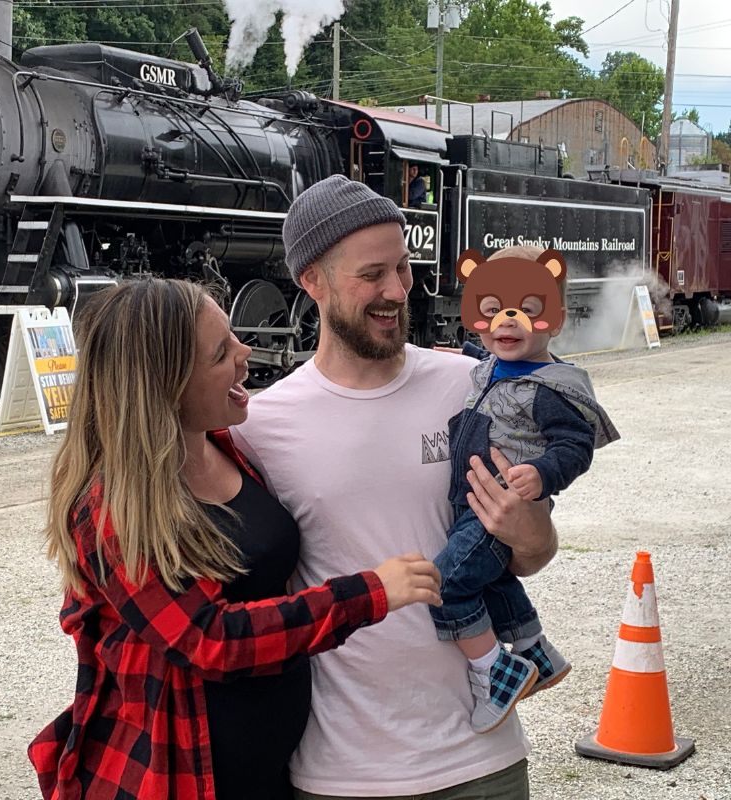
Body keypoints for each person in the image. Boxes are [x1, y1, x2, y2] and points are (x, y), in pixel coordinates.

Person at [27, 278, 442, 800]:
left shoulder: (226, 446)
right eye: (221, 351)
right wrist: (368, 594)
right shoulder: (111, 507)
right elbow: (208, 639)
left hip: (271, 774)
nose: (246, 353)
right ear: (164, 382)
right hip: (177, 774)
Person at [232, 175, 557, 799]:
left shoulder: (472, 385)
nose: (395, 291)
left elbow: (533, 552)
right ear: (312, 281)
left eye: (403, 269)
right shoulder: (264, 426)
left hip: (480, 759)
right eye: (371, 274)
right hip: (340, 771)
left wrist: (533, 531)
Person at [430, 245, 620, 735]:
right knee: (491, 581)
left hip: (499, 508)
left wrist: (541, 474)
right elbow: (490, 364)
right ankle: (536, 649)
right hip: (476, 504)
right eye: (492, 311)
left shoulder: (551, 388)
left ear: (553, 321)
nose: (506, 323)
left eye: (527, 311)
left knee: (445, 584)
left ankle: (495, 669)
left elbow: (575, 445)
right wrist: (455, 353)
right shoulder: (498, 365)